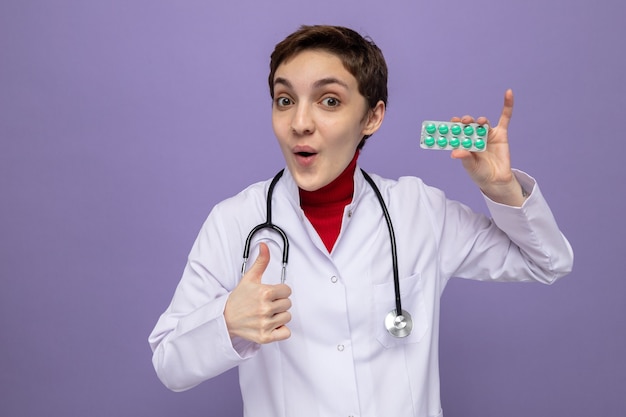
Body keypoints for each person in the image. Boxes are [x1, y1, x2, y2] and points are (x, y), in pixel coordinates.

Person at [148, 25, 573, 417]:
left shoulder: (419, 210)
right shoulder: (234, 221)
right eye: (285, 100)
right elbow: (169, 363)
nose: (300, 123)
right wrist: (226, 322)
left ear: (372, 117)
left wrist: (502, 190)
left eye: (329, 101)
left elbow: (547, 262)